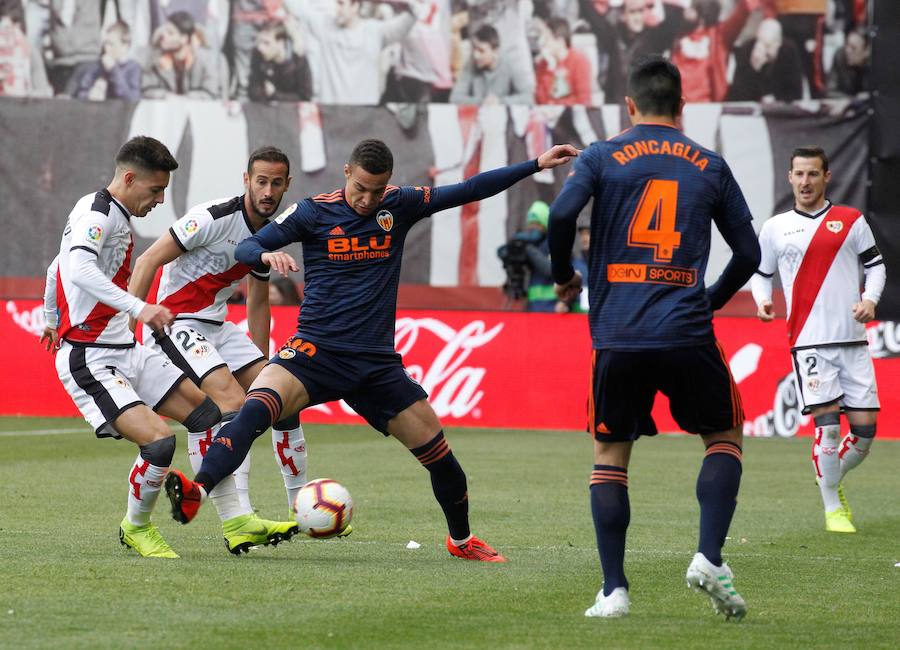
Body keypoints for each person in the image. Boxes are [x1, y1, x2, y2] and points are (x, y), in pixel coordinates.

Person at [164, 138, 579, 561]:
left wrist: (535, 164)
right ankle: (199, 489)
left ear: (388, 185)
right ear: (346, 172)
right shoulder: (313, 211)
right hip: (314, 352)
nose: (366, 200)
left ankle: (461, 541)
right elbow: (247, 247)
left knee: (442, 459)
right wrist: (267, 254)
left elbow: (471, 189)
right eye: (360, 188)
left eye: (376, 191)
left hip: (375, 365)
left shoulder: (400, 205)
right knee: (254, 409)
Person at [548, 55, 760, 619]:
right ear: (683, 106)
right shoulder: (709, 164)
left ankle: (614, 591)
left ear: (631, 105)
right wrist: (707, 300)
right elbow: (749, 255)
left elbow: (561, 215)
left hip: (617, 334)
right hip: (686, 330)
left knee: (610, 455)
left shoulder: (601, 156)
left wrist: (564, 277)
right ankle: (710, 556)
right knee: (724, 434)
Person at [39, 136, 225, 559]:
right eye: (155, 190)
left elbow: (57, 266)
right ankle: (135, 527)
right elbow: (78, 268)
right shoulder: (99, 215)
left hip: (123, 347)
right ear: (128, 178)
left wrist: (50, 317)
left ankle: (220, 511)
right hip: (90, 356)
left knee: (206, 414)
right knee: (160, 443)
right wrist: (141, 308)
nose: (160, 200)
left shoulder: (105, 212)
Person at [128, 146, 310, 554]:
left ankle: (304, 505)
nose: (267, 190)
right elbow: (147, 261)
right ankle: (240, 518)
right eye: (260, 181)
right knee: (230, 401)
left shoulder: (270, 232)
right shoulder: (211, 217)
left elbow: (258, 300)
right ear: (246, 180)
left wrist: (265, 374)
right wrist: (128, 330)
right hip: (176, 321)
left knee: (282, 396)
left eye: (276, 183)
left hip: (217, 324)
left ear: (286, 186)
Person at [750, 146, 885, 534]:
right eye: (799, 174)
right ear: (789, 177)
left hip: (853, 340)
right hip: (809, 341)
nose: (805, 182)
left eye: (813, 174)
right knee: (827, 428)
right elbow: (761, 273)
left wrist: (870, 300)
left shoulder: (851, 220)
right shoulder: (775, 227)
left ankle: (828, 476)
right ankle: (832, 508)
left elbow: (876, 267)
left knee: (864, 431)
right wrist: (762, 300)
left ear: (827, 176)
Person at [285, 0, 418, 105]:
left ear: (355, 6)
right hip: (332, 113)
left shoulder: (375, 32)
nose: (336, 9)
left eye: (341, 3)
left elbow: (410, 18)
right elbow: (297, 8)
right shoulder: (325, 26)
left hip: (364, 115)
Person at [141, 10, 223, 99]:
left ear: (184, 39)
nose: (163, 36)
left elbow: (212, 93)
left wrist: (186, 98)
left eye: (170, 33)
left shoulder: (204, 60)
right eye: (164, 31)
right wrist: (166, 96)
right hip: (166, 109)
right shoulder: (156, 58)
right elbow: (146, 89)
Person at [449, 24, 533, 105]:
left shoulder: (511, 64)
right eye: (474, 48)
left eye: (481, 51)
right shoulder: (471, 64)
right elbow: (455, 98)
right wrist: (482, 102)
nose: (476, 55)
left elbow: (528, 98)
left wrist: (500, 102)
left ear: (495, 52)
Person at [726, 18, 803, 102]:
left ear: (779, 43)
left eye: (768, 46)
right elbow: (738, 95)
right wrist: (754, 69)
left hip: (780, 106)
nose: (764, 51)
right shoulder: (746, 50)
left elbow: (796, 92)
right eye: (761, 43)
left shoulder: (789, 50)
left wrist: (776, 98)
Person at [71, 21, 142, 101]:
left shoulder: (133, 68)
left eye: (111, 44)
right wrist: (89, 95)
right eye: (105, 44)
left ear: (124, 46)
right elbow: (81, 93)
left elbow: (132, 99)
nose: (106, 48)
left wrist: (113, 70)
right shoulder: (97, 66)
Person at [248, 20, 312, 102]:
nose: (260, 47)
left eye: (266, 43)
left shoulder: (297, 60)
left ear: (280, 43)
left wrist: (275, 95)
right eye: (259, 42)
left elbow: (305, 97)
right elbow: (253, 91)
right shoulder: (258, 55)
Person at [534, 16, 593, 106]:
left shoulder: (579, 60)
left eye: (547, 38)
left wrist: (556, 104)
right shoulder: (543, 64)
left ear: (560, 41)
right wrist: (550, 70)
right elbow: (540, 100)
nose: (542, 43)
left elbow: (583, 99)